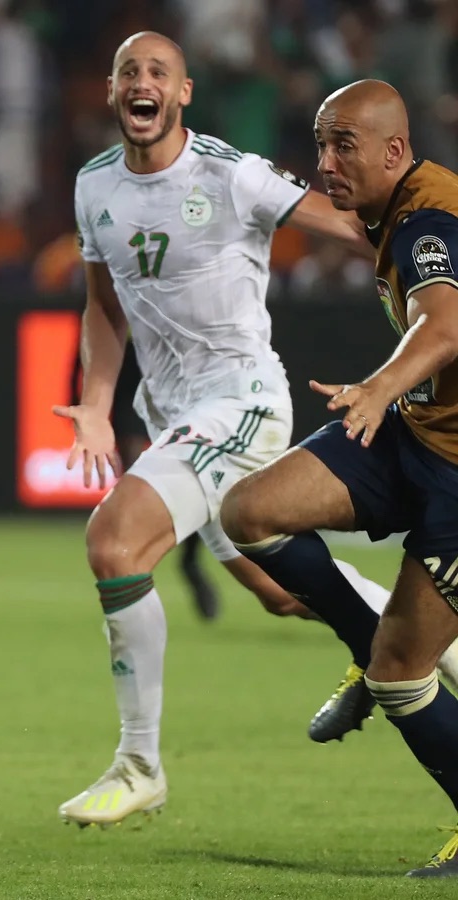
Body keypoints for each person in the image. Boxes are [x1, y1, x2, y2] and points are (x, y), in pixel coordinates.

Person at [54, 32, 400, 828]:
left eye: (158, 72)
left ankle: (138, 764)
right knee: (282, 591)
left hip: (239, 401)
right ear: (112, 91)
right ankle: (424, 635)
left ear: (183, 93)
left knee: (115, 543)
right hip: (174, 414)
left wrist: (427, 263)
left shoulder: (229, 173)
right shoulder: (94, 184)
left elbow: (356, 227)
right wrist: (97, 403)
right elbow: (103, 306)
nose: (142, 82)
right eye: (129, 71)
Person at [221, 80, 458, 878]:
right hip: (417, 434)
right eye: (321, 143)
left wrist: (379, 388)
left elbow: (445, 324)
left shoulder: (429, 220)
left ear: (394, 151)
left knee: (402, 674)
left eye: (343, 145)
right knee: (250, 511)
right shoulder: (389, 209)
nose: (326, 161)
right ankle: (363, 639)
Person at [113, 339, 221, 621]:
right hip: (129, 391)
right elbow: (94, 342)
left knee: (193, 483)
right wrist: (86, 404)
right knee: (134, 490)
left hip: (175, 394)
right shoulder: (119, 313)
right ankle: (131, 573)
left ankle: (189, 561)